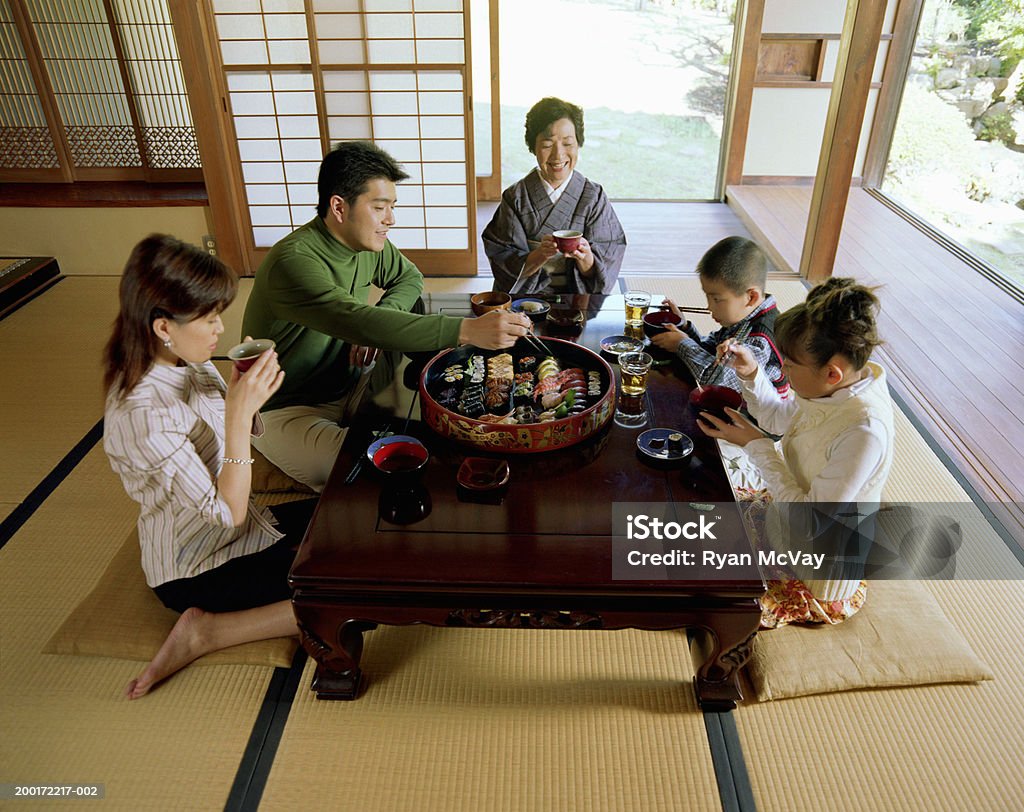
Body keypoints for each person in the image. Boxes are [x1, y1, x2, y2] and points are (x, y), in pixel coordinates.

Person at [243, 141, 532, 492]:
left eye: (392, 207)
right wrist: (467, 329)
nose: (390, 220)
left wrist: (380, 315)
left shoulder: (364, 242)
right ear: (339, 206)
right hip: (290, 407)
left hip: (352, 379)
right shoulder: (294, 261)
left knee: (439, 407)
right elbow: (353, 319)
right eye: (380, 207)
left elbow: (408, 278)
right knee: (375, 467)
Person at [103, 235, 314, 699]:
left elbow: (225, 438)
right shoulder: (143, 416)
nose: (220, 328)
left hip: (249, 526)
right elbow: (226, 513)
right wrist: (238, 414)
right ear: (163, 326)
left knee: (345, 518)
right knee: (355, 594)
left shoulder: (183, 358)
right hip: (198, 566)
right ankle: (208, 632)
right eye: (209, 317)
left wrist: (242, 394)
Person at [697, 277, 895, 628]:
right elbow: (780, 417)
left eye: (789, 365)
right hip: (784, 519)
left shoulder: (864, 431)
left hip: (815, 567)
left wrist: (757, 447)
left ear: (831, 373)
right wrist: (752, 373)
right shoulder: (838, 387)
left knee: (691, 580)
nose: (783, 370)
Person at [482, 97, 626, 295]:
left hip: (578, 298)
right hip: (527, 298)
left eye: (568, 143)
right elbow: (503, 256)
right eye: (548, 144)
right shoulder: (516, 197)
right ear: (533, 146)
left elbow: (609, 253)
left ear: (578, 144)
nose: (558, 155)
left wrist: (586, 259)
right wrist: (539, 255)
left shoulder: (593, 196)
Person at [650, 236, 787, 395]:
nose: (709, 307)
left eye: (716, 299)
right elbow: (710, 352)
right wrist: (684, 328)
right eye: (708, 297)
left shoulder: (761, 339)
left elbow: (715, 383)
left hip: (754, 417)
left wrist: (682, 345)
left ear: (751, 297)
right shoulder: (743, 317)